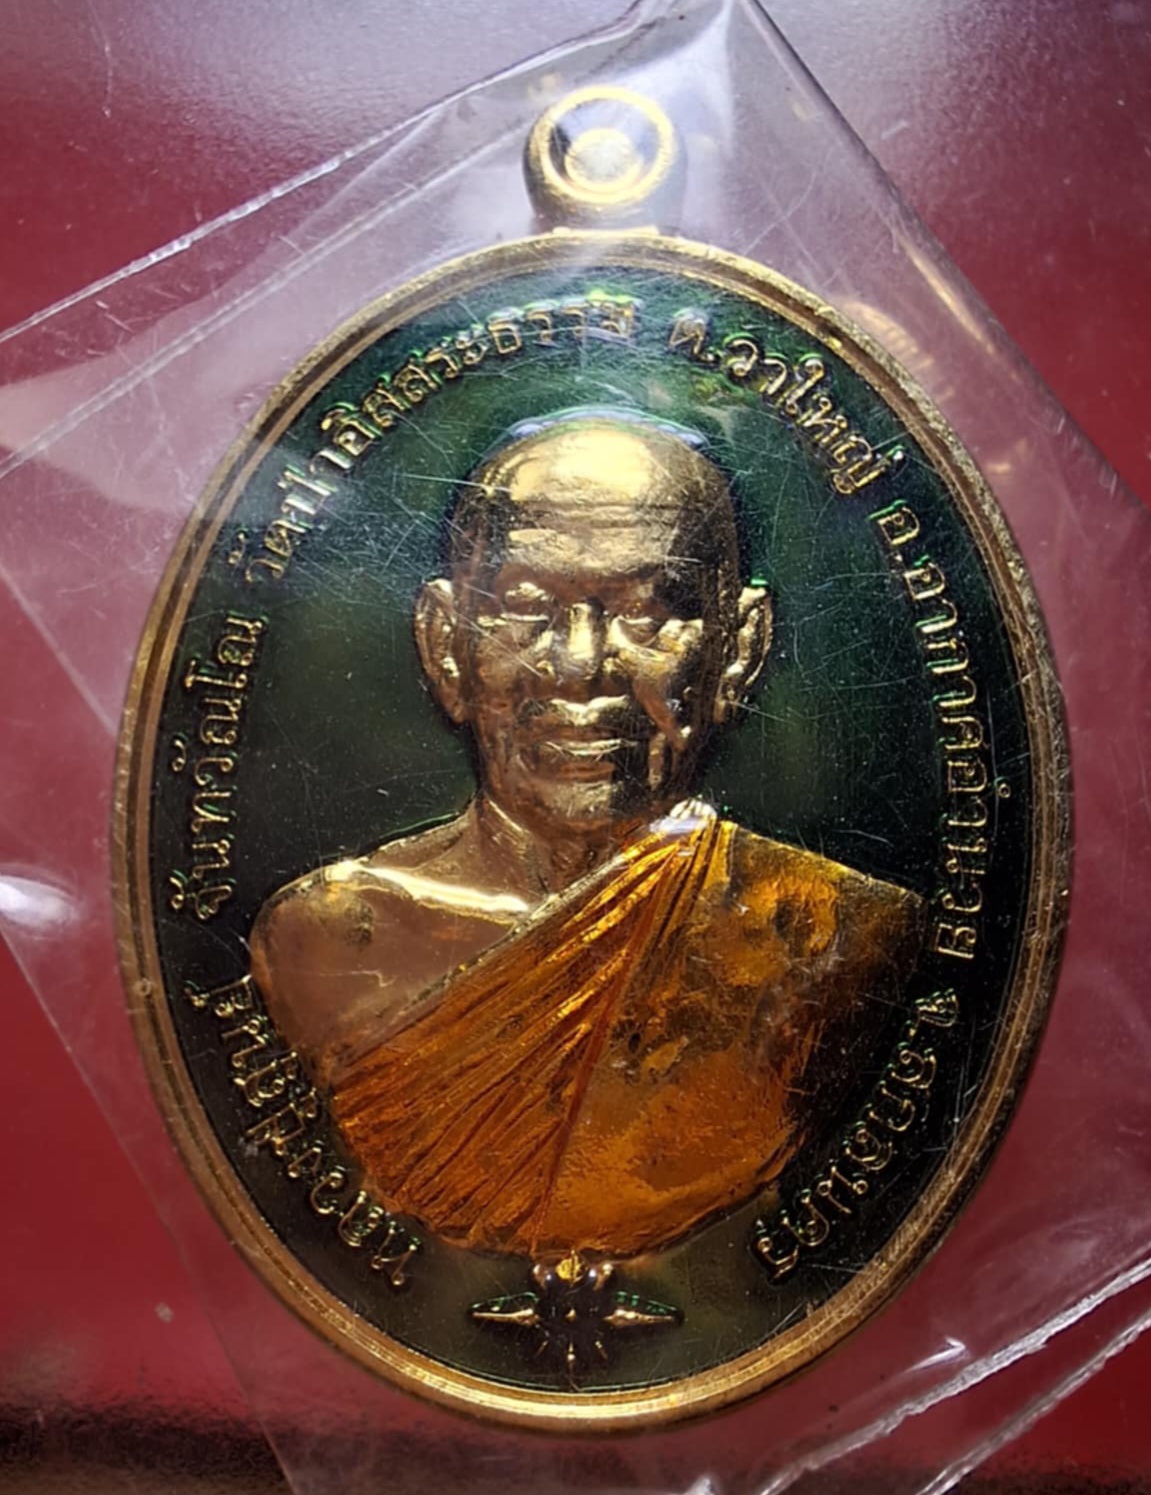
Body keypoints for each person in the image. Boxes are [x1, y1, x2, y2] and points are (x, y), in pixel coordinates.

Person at [250, 413, 923, 1260]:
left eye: (647, 613)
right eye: (525, 608)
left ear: (738, 649)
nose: (578, 663)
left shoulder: (831, 938)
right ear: (445, 645)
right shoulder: (324, 940)